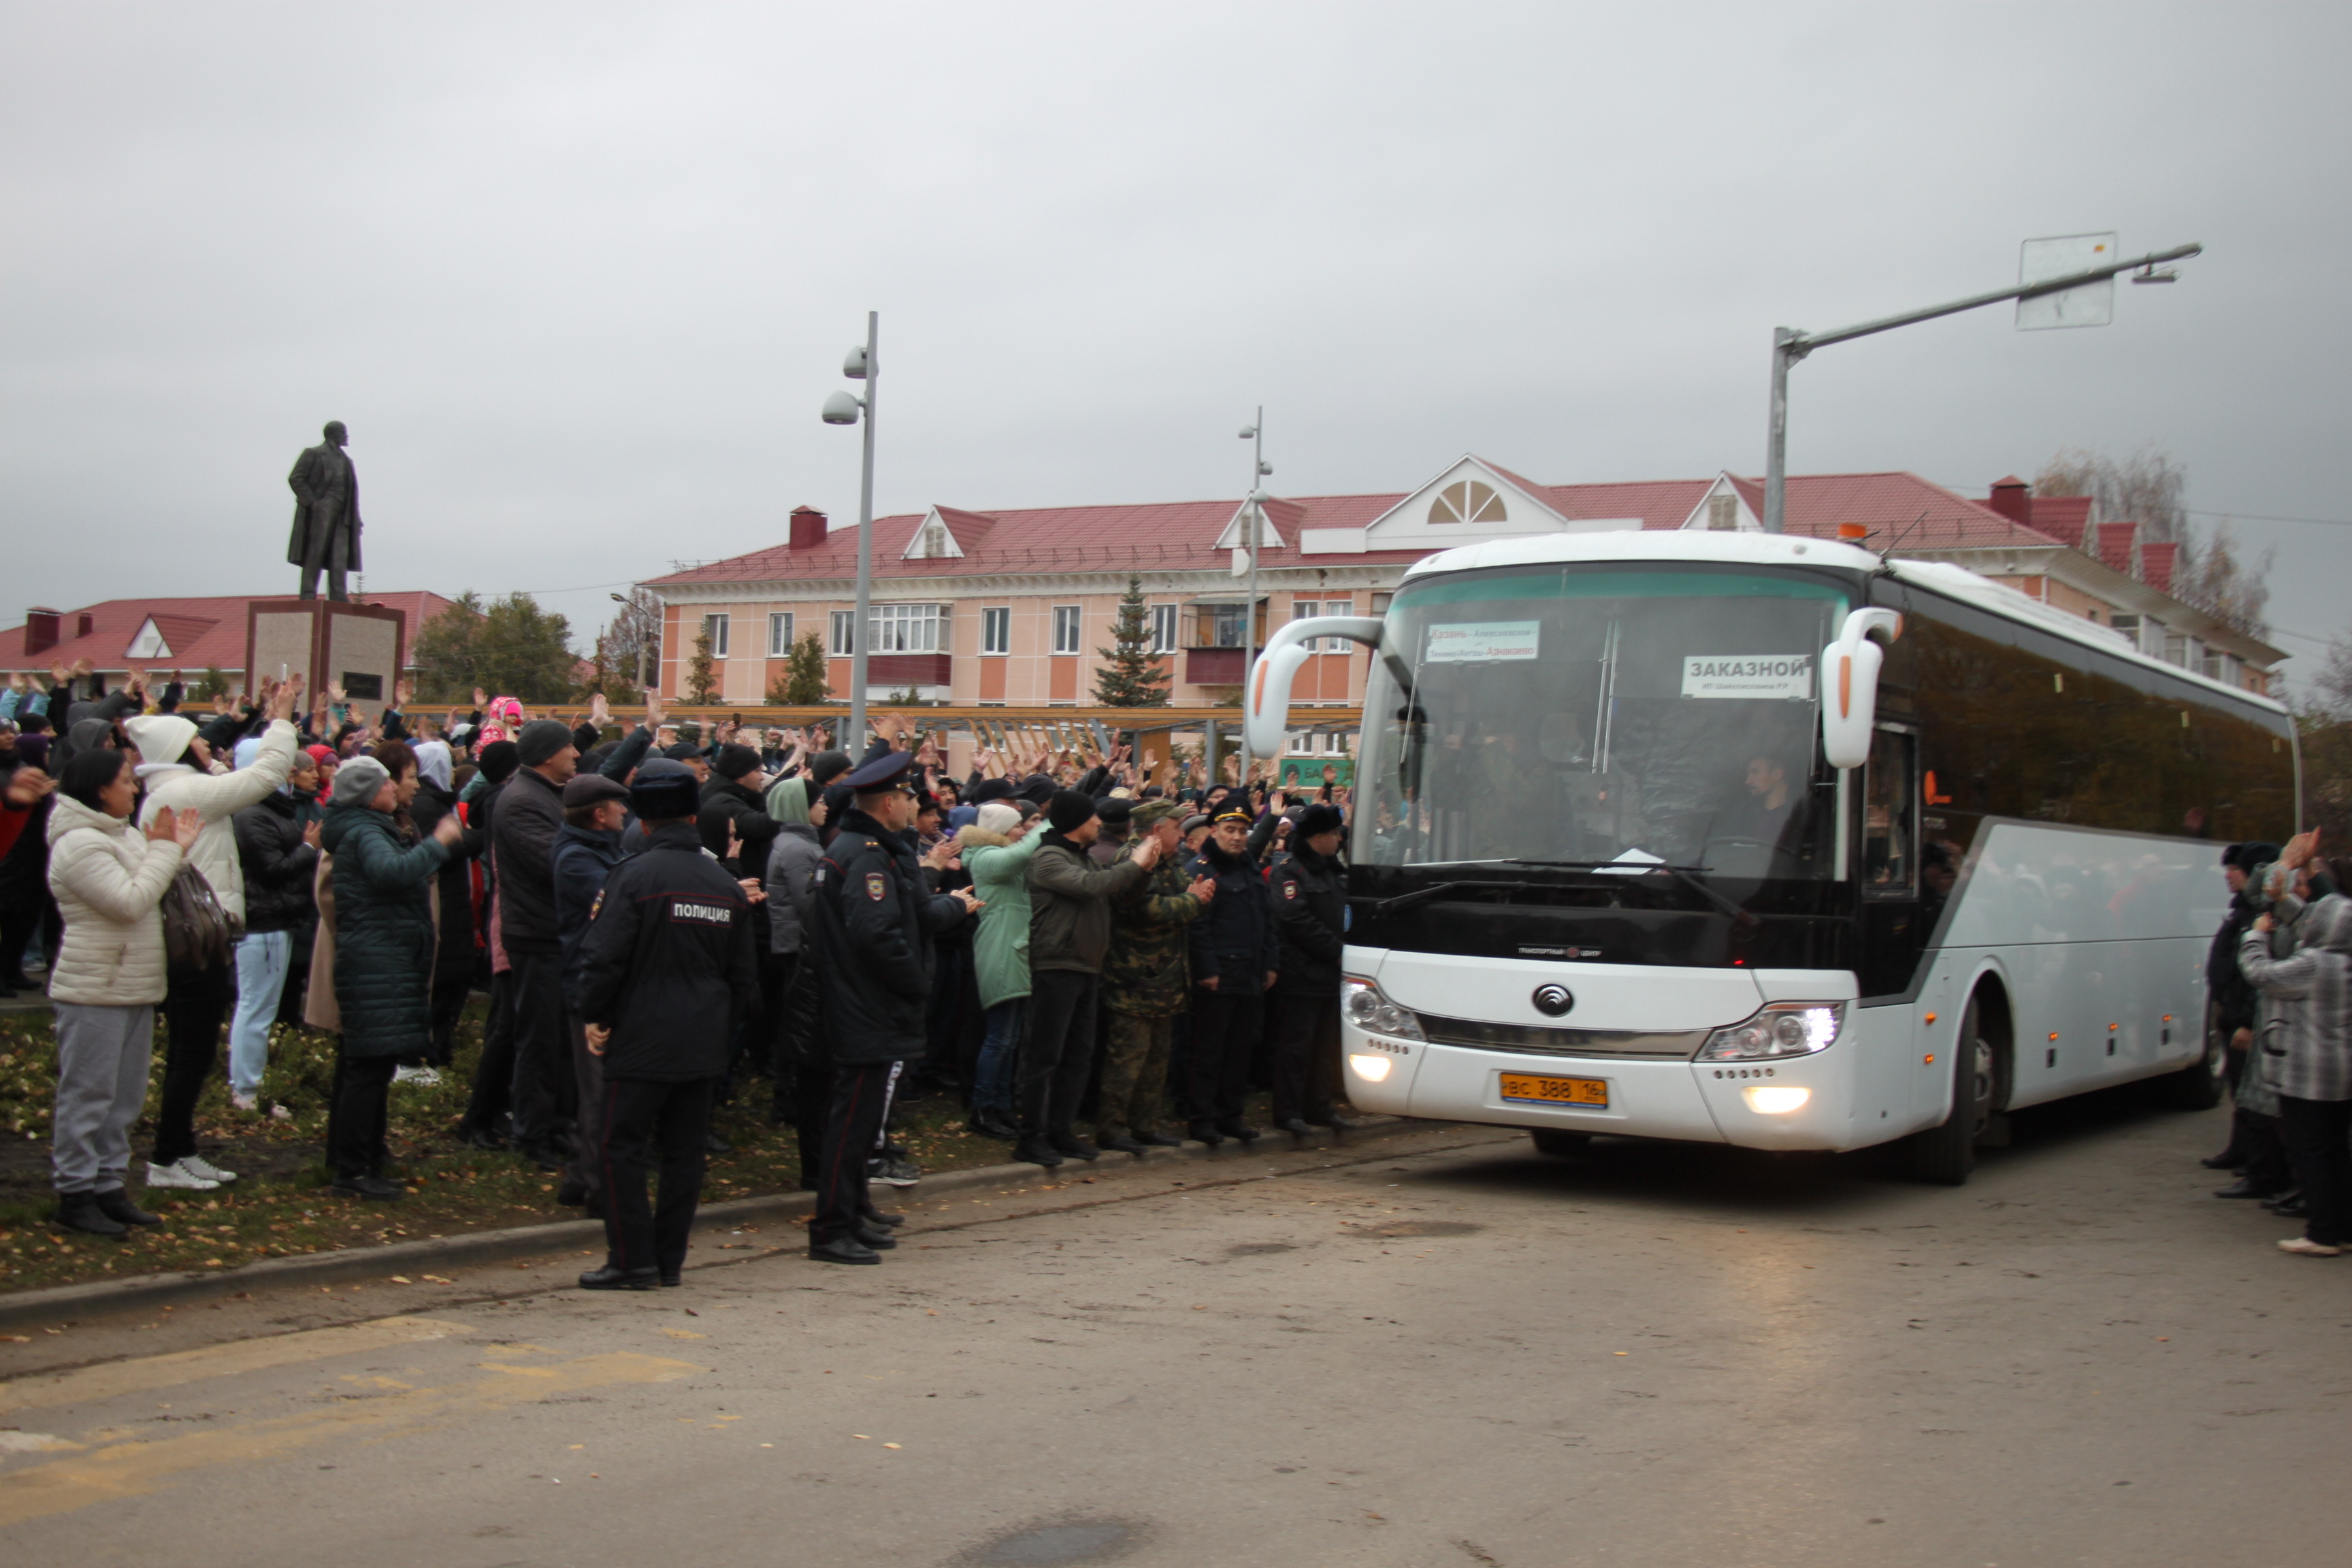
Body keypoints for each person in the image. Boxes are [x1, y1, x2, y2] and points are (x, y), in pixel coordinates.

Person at [568, 760, 759, 1289]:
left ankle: (632, 1259)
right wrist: (724, 1032)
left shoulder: (632, 877)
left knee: (621, 1145)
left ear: (644, 825)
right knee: (685, 1153)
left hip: (642, 1037)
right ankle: (669, 1260)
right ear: (694, 818)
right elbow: (743, 976)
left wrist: (596, 1016)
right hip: (702, 1041)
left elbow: (605, 957)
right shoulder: (725, 885)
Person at [126, 677, 304, 1192]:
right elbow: (266, 774)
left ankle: (180, 1150)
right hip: (195, 940)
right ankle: (167, 1157)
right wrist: (281, 718)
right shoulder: (184, 791)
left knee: (195, 1049)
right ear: (180, 751)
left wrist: (261, 714)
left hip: (197, 935)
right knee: (192, 1050)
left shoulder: (176, 787)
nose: (209, 744)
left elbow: (233, 772)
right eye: (199, 740)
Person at [801, 749, 976, 1263]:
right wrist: (912, 984)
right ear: (887, 803)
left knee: (859, 1123)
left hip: (865, 1004)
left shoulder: (868, 847)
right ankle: (832, 1228)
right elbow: (876, 934)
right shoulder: (865, 854)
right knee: (852, 1123)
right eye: (905, 796)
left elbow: (905, 918)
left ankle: (851, 1214)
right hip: (866, 1005)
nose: (911, 804)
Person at [45, 748, 201, 1236]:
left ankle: (109, 1187)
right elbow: (130, 902)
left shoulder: (122, 834)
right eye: (126, 781)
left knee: (124, 1097)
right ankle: (74, 1193)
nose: (135, 789)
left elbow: (151, 885)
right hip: (94, 987)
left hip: (132, 983)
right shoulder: (79, 845)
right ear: (99, 789)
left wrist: (173, 852)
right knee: (88, 1094)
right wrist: (165, 851)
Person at [316, 755, 462, 1197]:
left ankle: (365, 1158)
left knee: (371, 1065)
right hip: (376, 960)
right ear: (368, 793)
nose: (397, 789)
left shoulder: (365, 828)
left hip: (381, 957)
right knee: (368, 1068)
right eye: (386, 784)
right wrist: (438, 844)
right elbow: (391, 873)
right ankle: (353, 1171)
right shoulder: (364, 830)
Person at [1017, 789, 1158, 1167]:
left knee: (1078, 1057)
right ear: (1077, 822)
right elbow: (1091, 887)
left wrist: (1144, 871)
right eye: (1093, 817)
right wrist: (1136, 865)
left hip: (1087, 966)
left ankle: (1061, 1132)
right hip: (1057, 965)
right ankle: (1031, 1137)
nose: (1100, 822)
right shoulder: (1048, 858)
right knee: (1045, 1057)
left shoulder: (1082, 858)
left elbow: (1116, 895)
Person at [2235, 837, 2351, 1256]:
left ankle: (2321, 1233)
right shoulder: (2342, 956)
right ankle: (2342, 1226)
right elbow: (2304, 917)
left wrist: (2254, 937)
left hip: (2307, 1072)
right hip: (2341, 1071)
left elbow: (2261, 973)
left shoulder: (2312, 964)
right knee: (2338, 1149)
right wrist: (2289, 874)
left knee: (2310, 1151)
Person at [1096, 800, 1215, 1154]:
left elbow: (1177, 897)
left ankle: (1145, 1125)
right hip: (1133, 980)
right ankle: (1112, 1128)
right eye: (1176, 827)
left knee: (1156, 1059)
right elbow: (1142, 909)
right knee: (1127, 1059)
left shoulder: (1170, 863)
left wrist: (1192, 897)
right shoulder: (1130, 861)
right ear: (1155, 831)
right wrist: (1193, 902)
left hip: (1165, 979)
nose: (1182, 833)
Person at [492, 718, 581, 1170]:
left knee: (563, 1042)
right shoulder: (521, 802)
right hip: (536, 936)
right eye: (570, 748)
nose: (577, 755)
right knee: (540, 1041)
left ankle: (558, 1124)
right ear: (548, 755)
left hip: (556, 934)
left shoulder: (545, 793)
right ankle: (531, 1135)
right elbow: (558, 862)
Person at [551, 772, 635, 1213]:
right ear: (599, 815)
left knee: (600, 1089)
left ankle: (582, 1179)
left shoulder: (600, 850)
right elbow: (619, 903)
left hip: (598, 982)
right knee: (599, 1091)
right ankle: (599, 1189)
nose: (625, 811)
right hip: (589, 987)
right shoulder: (576, 859)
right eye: (617, 806)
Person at [226, 747, 323, 1111]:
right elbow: (271, 869)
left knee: (262, 1008)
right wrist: (309, 848)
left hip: (276, 920)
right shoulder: (253, 815)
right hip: (263, 924)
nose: (287, 774)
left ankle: (251, 1085)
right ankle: (245, 1090)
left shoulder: (269, 811)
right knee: (255, 1007)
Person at [1187, 806, 1279, 1146]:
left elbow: (1265, 920)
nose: (1237, 837)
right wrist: (1207, 969)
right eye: (1230, 830)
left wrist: (1270, 963)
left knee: (1240, 1051)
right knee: (1209, 1053)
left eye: (1242, 831)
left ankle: (1231, 1117)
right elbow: (1198, 926)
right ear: (1214, 832)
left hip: (1250, 973)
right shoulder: (1202, 870)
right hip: (1220, 976)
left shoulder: (1249, 867)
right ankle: (1202, 1120)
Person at [1267, 802, 1355, 1136]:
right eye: (1333, 834)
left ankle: (1320, 1106)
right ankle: (1288, 1111)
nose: (1338, 840)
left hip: (1330, 977)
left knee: (1325, 1046)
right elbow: (1295, 919)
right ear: (1316, 837)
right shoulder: (1290, 871)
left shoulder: (1334, 870)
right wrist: (1337, 953)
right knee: (1296, 1047)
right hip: (1301, 974)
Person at [958, 800, 1042, 1141]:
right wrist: (1050, 825)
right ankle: (983, 1109)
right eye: (1018, 826)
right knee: (999, 1039)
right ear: (1001, 830)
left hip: (1015, 950)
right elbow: (1019, 856)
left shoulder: (994, 855)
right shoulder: (986, 857)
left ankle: (1001, 1107)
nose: (1023, 831)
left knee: (1010, 1039)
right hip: (1002, 950)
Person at [2204, 840, 2283, 1183]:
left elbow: (2258, 977)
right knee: (2241, 1092)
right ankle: (2243, 1151)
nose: (2229, 877)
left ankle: (2261, 1169)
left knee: (2255, 1098)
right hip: (2232, 1010)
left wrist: (2248, 1022)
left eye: (2235, 870)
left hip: (2244, 1017)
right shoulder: (2243, 910)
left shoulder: (2260, 916)